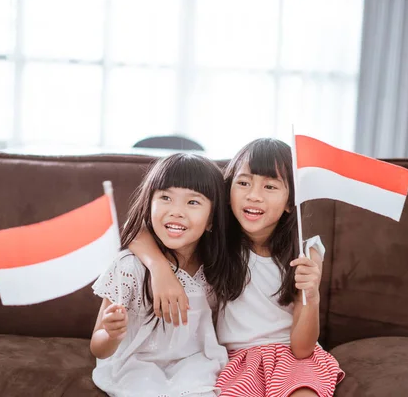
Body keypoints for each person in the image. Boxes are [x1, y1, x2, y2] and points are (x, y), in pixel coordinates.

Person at [130, 139, 344, 397]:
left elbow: (302, 349)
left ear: (290, 203)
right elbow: (135, 233)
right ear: (227, 193)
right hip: (238, 362)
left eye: (270, 186)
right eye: (243, 183)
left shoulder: (306, 252)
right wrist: (160, 270)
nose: (254, 195)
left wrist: (312, 294)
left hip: (293, 357)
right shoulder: (215, 239)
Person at [90, 153, 229, 397]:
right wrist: (112, 334)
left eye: (193, 202)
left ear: (211, 220)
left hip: (193, 363)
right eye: (166, 197)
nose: (176, 211)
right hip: (135, 365)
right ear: (149, 204)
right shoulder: (128, 268)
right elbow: (98, 348)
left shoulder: (214, 267)